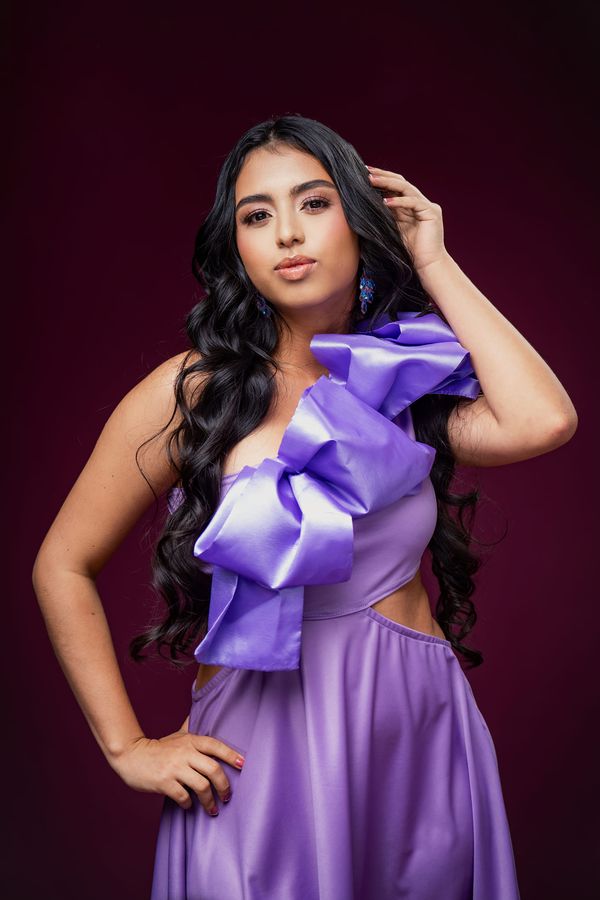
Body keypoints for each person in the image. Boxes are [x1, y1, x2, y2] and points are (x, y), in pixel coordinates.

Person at [32, 114, 577, 900]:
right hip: (259, 754)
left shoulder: (402, 378)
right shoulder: (194, 392)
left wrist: (434, 259)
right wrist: (126, 747)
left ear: (360, 219)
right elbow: (62, 564)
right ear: (237, 249)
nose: (287, 232)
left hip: (417, 742)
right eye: (257, 216)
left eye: (314, 203)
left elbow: (544, 420)